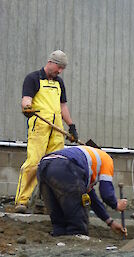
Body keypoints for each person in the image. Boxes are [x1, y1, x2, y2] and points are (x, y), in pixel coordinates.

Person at [15, 50, 78, 213]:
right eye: (59, 67)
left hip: (57, 129)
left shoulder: (59, 83)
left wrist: (71, 125)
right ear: (51, 62)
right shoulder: (33, 78)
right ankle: (22, 201)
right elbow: (26, 99)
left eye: (62, 69)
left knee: (55, 165)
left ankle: (46, 203)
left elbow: (63, 106)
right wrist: (27, 108)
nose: (60, 71)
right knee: (34, 163)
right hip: (40, 125)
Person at [37, 145, 127, 236]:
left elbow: (93, 200)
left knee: (59, 220)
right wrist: (116, 204)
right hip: (64, 166)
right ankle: (76, 242)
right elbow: (106, 193)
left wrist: (110, 222)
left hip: (43, 166)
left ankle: (59, 238)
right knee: (77, 224)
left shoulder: (86, 161)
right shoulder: (107, 160)